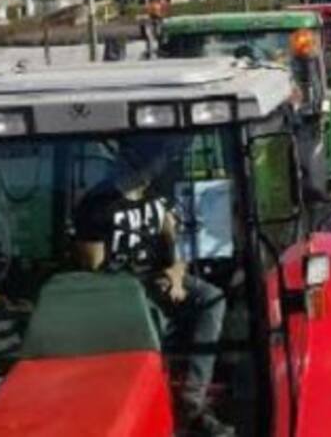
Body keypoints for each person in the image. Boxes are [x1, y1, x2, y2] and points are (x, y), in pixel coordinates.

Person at [73, 143, 233, 437]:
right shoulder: (95, 207)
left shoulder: (158, 197)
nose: (159, 167)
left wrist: (175, 274)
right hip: (119, 293)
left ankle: (192, 400)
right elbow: (94, 270)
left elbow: (175, 245)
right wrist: (139, 287)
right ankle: (150, 413)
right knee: (151, 324)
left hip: (157, 279)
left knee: (212, 299)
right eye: (154, 160)